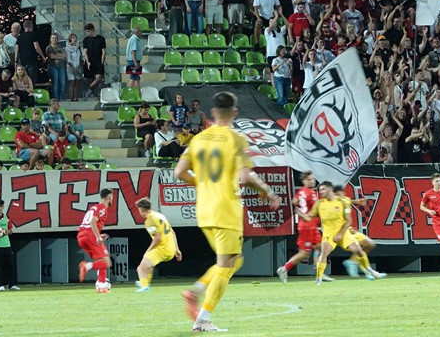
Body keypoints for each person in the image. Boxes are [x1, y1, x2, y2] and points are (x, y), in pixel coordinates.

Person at [175, 91, 278, 332]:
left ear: (212, 113)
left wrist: (202, 183)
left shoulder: (198, 139)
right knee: (225, 266)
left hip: (204, 210)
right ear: (234, 112)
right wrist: (267, 191)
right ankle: (203, 317)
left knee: (235, 260)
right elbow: (246, 176)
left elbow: (179, 172)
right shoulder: (235, 139)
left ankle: (196, 291)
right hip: (225, 208)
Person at [307, 181, 384, 284]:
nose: (321, 191)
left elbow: (349, 213)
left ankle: (367, 270)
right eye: (320, 190)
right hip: (329, 234)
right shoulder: (320, 203)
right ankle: (319, 279)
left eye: (323, 189)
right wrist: (299, 211)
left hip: (344, 232)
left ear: (330, 190)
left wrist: (358, 201)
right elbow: (309, 216)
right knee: (324, 251)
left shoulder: (343, 201)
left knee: (361, 248)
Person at [277, 172, 323, 283]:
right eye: (309, 179)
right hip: (307, 226)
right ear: (304, 181)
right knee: (304, 253)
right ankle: (284, 269)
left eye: (313, 179)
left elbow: (293, 203)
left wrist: (301, 213)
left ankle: (319, 273)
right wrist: (305, 216)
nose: (312, 181)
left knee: (321, 247)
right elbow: (316, 209)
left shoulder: (300, 192)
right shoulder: (311, 193)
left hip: (311, 225)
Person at [135, 198, 181, 293]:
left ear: (141, 209)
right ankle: (145, 283)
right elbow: (172, 232)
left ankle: (144, 286)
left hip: (162, 249)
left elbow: (157, 238)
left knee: (141, 268)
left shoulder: (149, 220)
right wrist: (177, 249)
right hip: (171, 249)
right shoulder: (160, 215)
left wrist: (147, 251)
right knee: (149, 265)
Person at [75, 188, 115, 292]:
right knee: (107, 262)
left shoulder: (93, 208)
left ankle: (101, 287)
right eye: (112, 198)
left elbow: (88, 224)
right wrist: (97, 236)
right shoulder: (102, 208)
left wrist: (98, 235)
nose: (112, 200)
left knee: (102, 260)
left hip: (81, 237)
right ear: (109, 197)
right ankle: (86, 266)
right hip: (90, 236)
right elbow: (93, 222)